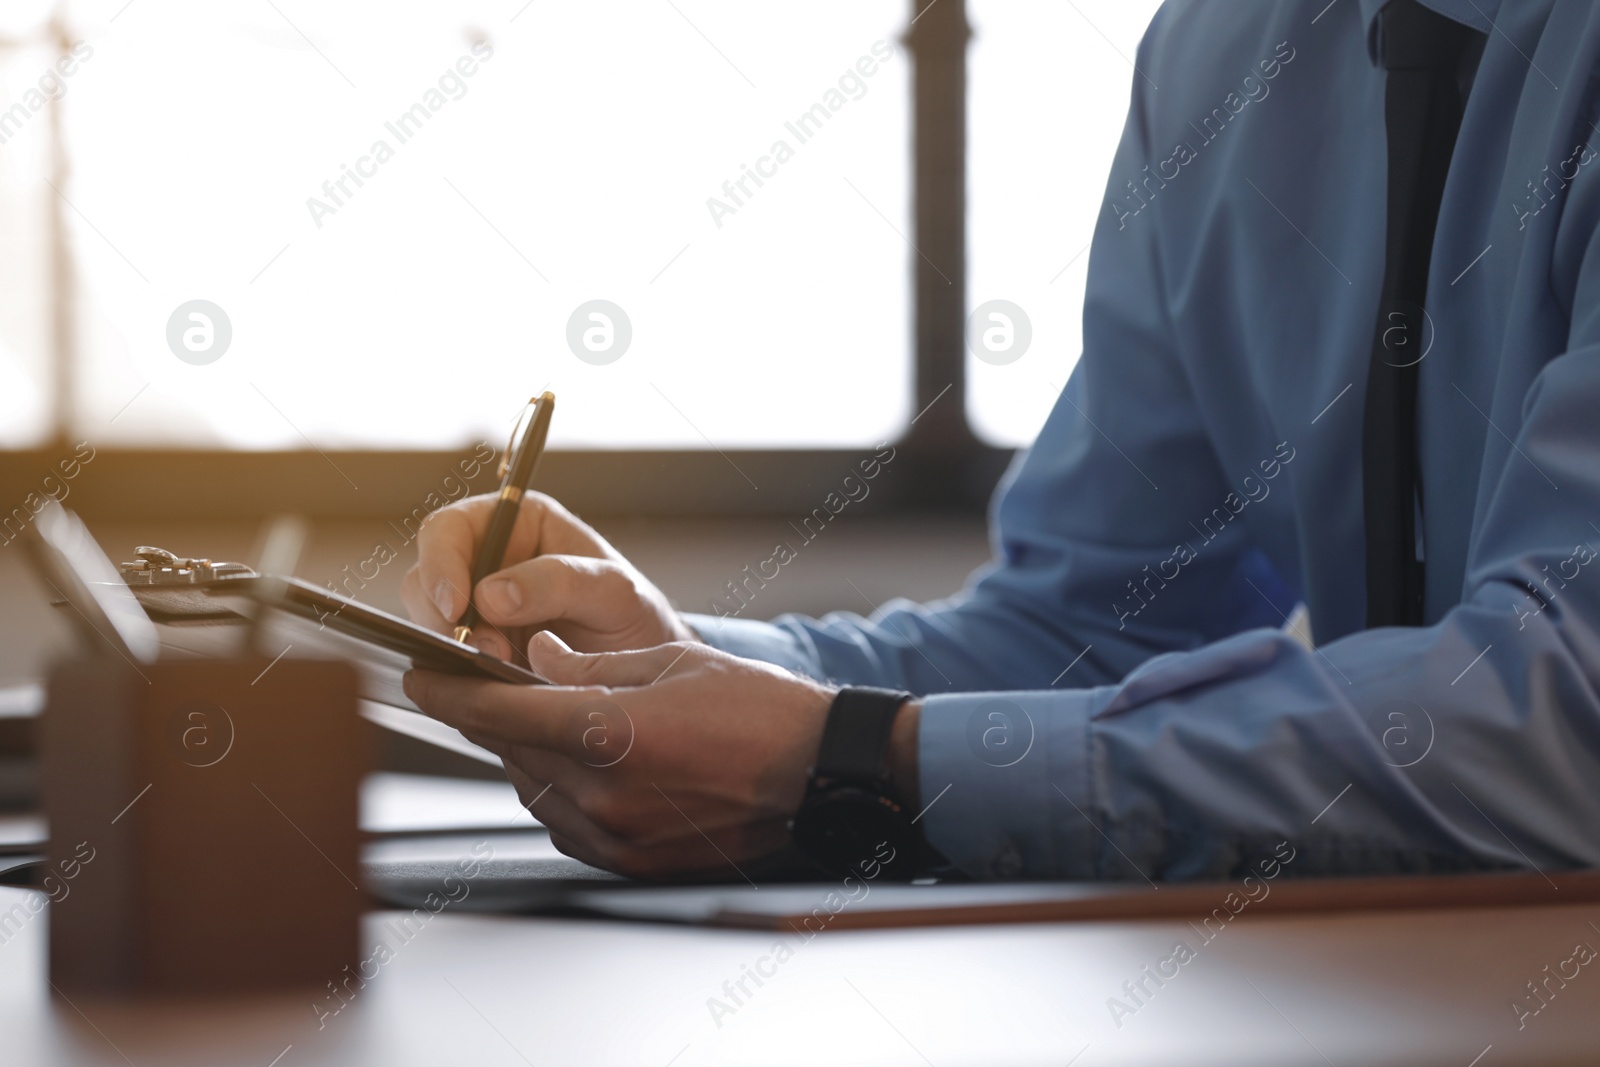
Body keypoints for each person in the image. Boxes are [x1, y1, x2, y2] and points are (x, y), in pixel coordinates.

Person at [400, 0, 1600, 882]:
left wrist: (858, 760)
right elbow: (1083, 631)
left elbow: (1571, 717)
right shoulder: (1218, 54)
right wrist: (673, 667)